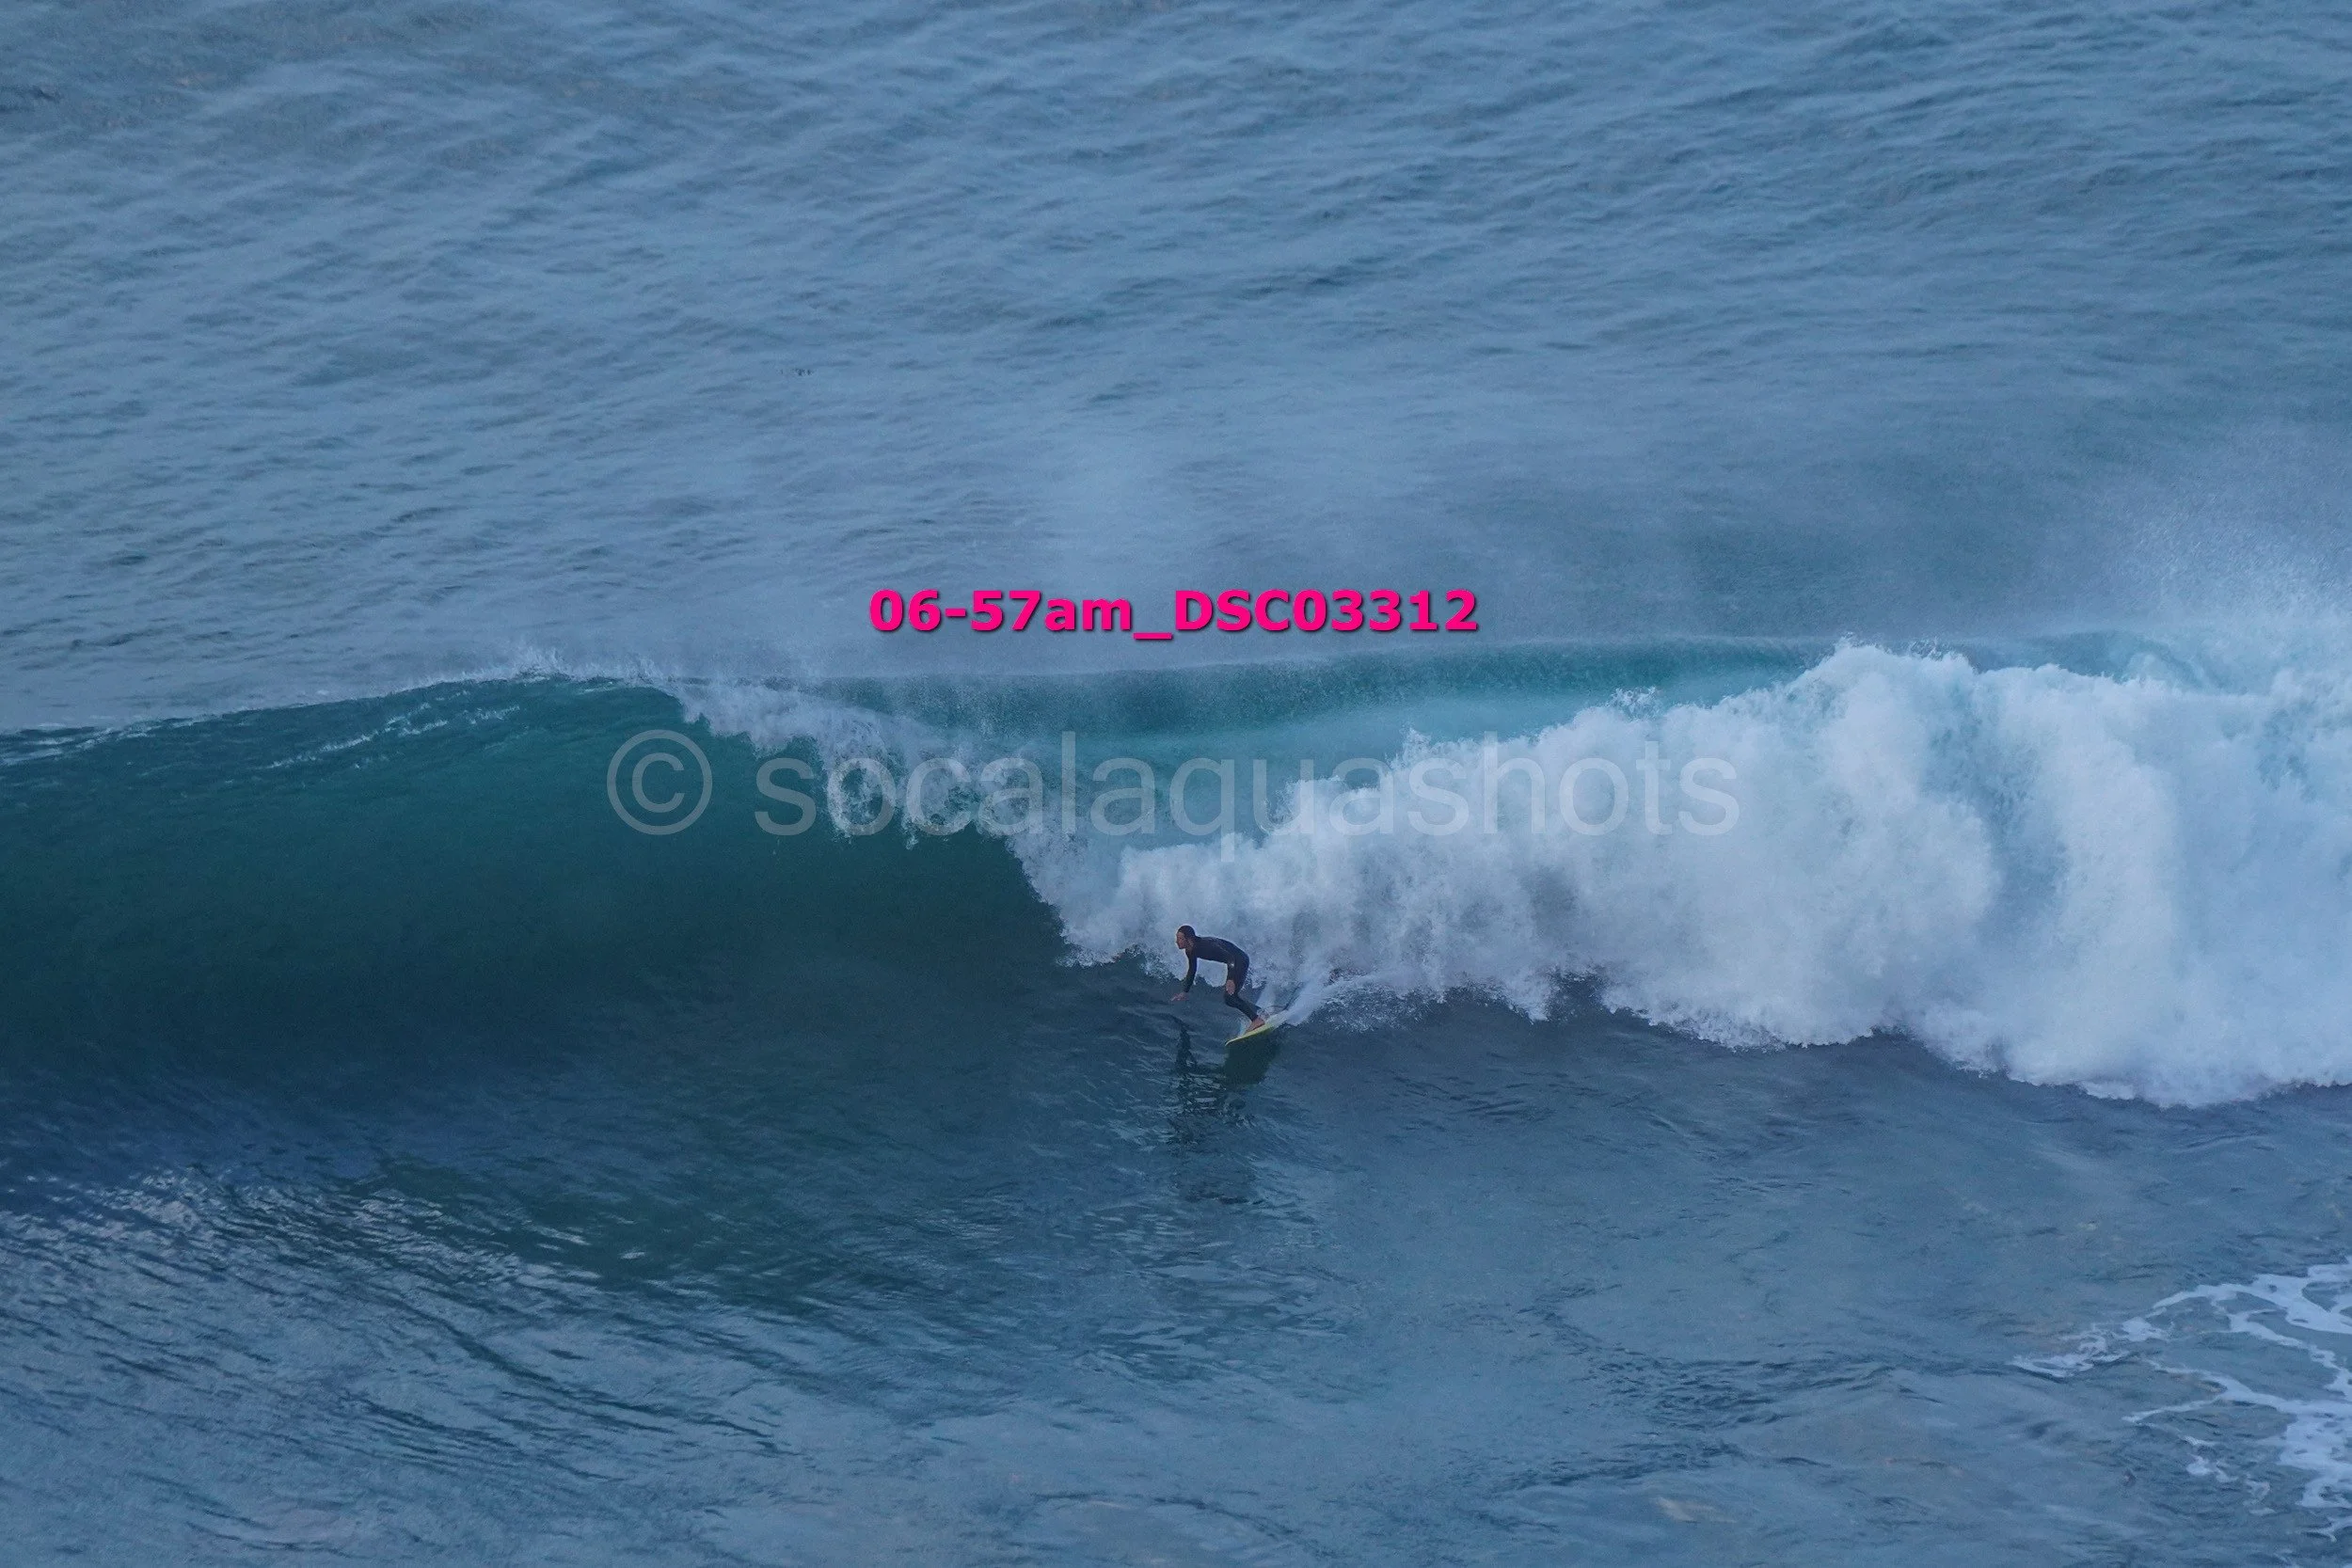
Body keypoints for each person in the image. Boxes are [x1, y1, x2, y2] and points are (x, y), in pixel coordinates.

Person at [1169, 926, 1265, 1028]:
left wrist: (1231, 979)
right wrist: (1184, 991)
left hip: (1239, 960)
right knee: (1231, 997)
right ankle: (1260, 1012)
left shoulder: (1205, 946)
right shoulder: (1190, 950)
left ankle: (1256, 1020)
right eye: (1177, 938)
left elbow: (1230, 957)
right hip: (1235, 961)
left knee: (1230, 997)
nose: (1177, 941)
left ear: (1189, 939)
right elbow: (1192, 970)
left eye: (1180, 938)